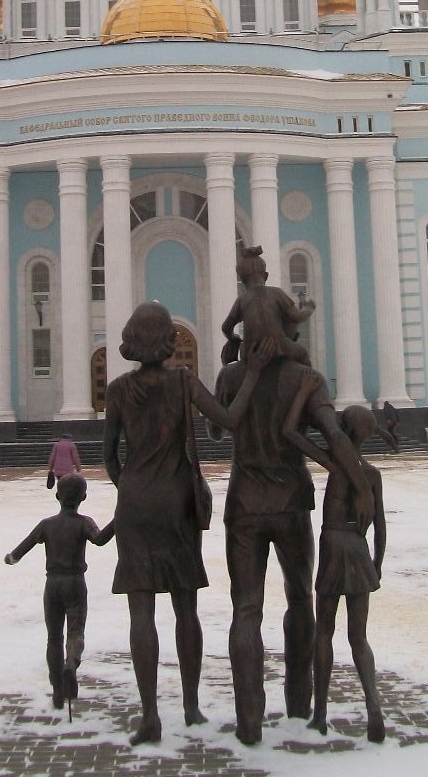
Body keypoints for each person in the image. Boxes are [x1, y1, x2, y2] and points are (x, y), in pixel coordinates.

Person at [103, 301, 272, 746]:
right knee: (185, 608)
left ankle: (149, 717)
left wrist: (133, 487)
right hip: (177, 503)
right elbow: (230, 419)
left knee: (141, 611)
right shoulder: (183, 381)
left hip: (135, 504)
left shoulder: (118, 389)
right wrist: (250, 371)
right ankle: (191, 704)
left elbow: (108, 459)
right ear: (170, 340)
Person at [211, 347, 375, 746]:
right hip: (291, 504)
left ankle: (249, 722)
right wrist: (362, 484)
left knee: (246, 609)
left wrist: (229, 372)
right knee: (300, 599)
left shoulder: (232, 375)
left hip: (245, 503)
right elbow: (333, 434)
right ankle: (301, 705)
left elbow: (216, 431)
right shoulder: (306, 377)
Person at [282, 401, 386, 740]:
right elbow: (381, 528)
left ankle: (321, 714)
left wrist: (303, 397)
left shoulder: (336, 463)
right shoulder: (371, 474)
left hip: (333, 548)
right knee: (359, 637)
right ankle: (373, 706)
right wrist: (377, 565)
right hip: (359, 552)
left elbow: (289, 433)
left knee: (324, 631)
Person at [4, 473, 114, 712]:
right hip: (75, 582)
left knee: (54, 637)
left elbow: (22, 548)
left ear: (57, 496)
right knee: (76, 631)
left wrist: (11, 558)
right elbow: (100, 539)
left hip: (52, 584)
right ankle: (71, 665)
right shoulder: (84, 522)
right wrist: (119, 519)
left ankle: (57, 691)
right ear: (84, 497)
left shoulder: (47, 525)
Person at [220, 245, 314, 366]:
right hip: (279, 346)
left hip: (250, 351)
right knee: (303, 355)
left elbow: (225, 327)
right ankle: (309, 382)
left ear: (242, 279)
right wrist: (309, 309)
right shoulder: (276, 293)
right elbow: (296, 317)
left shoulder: (241, 300)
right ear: (266, 276)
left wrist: (233, 337)